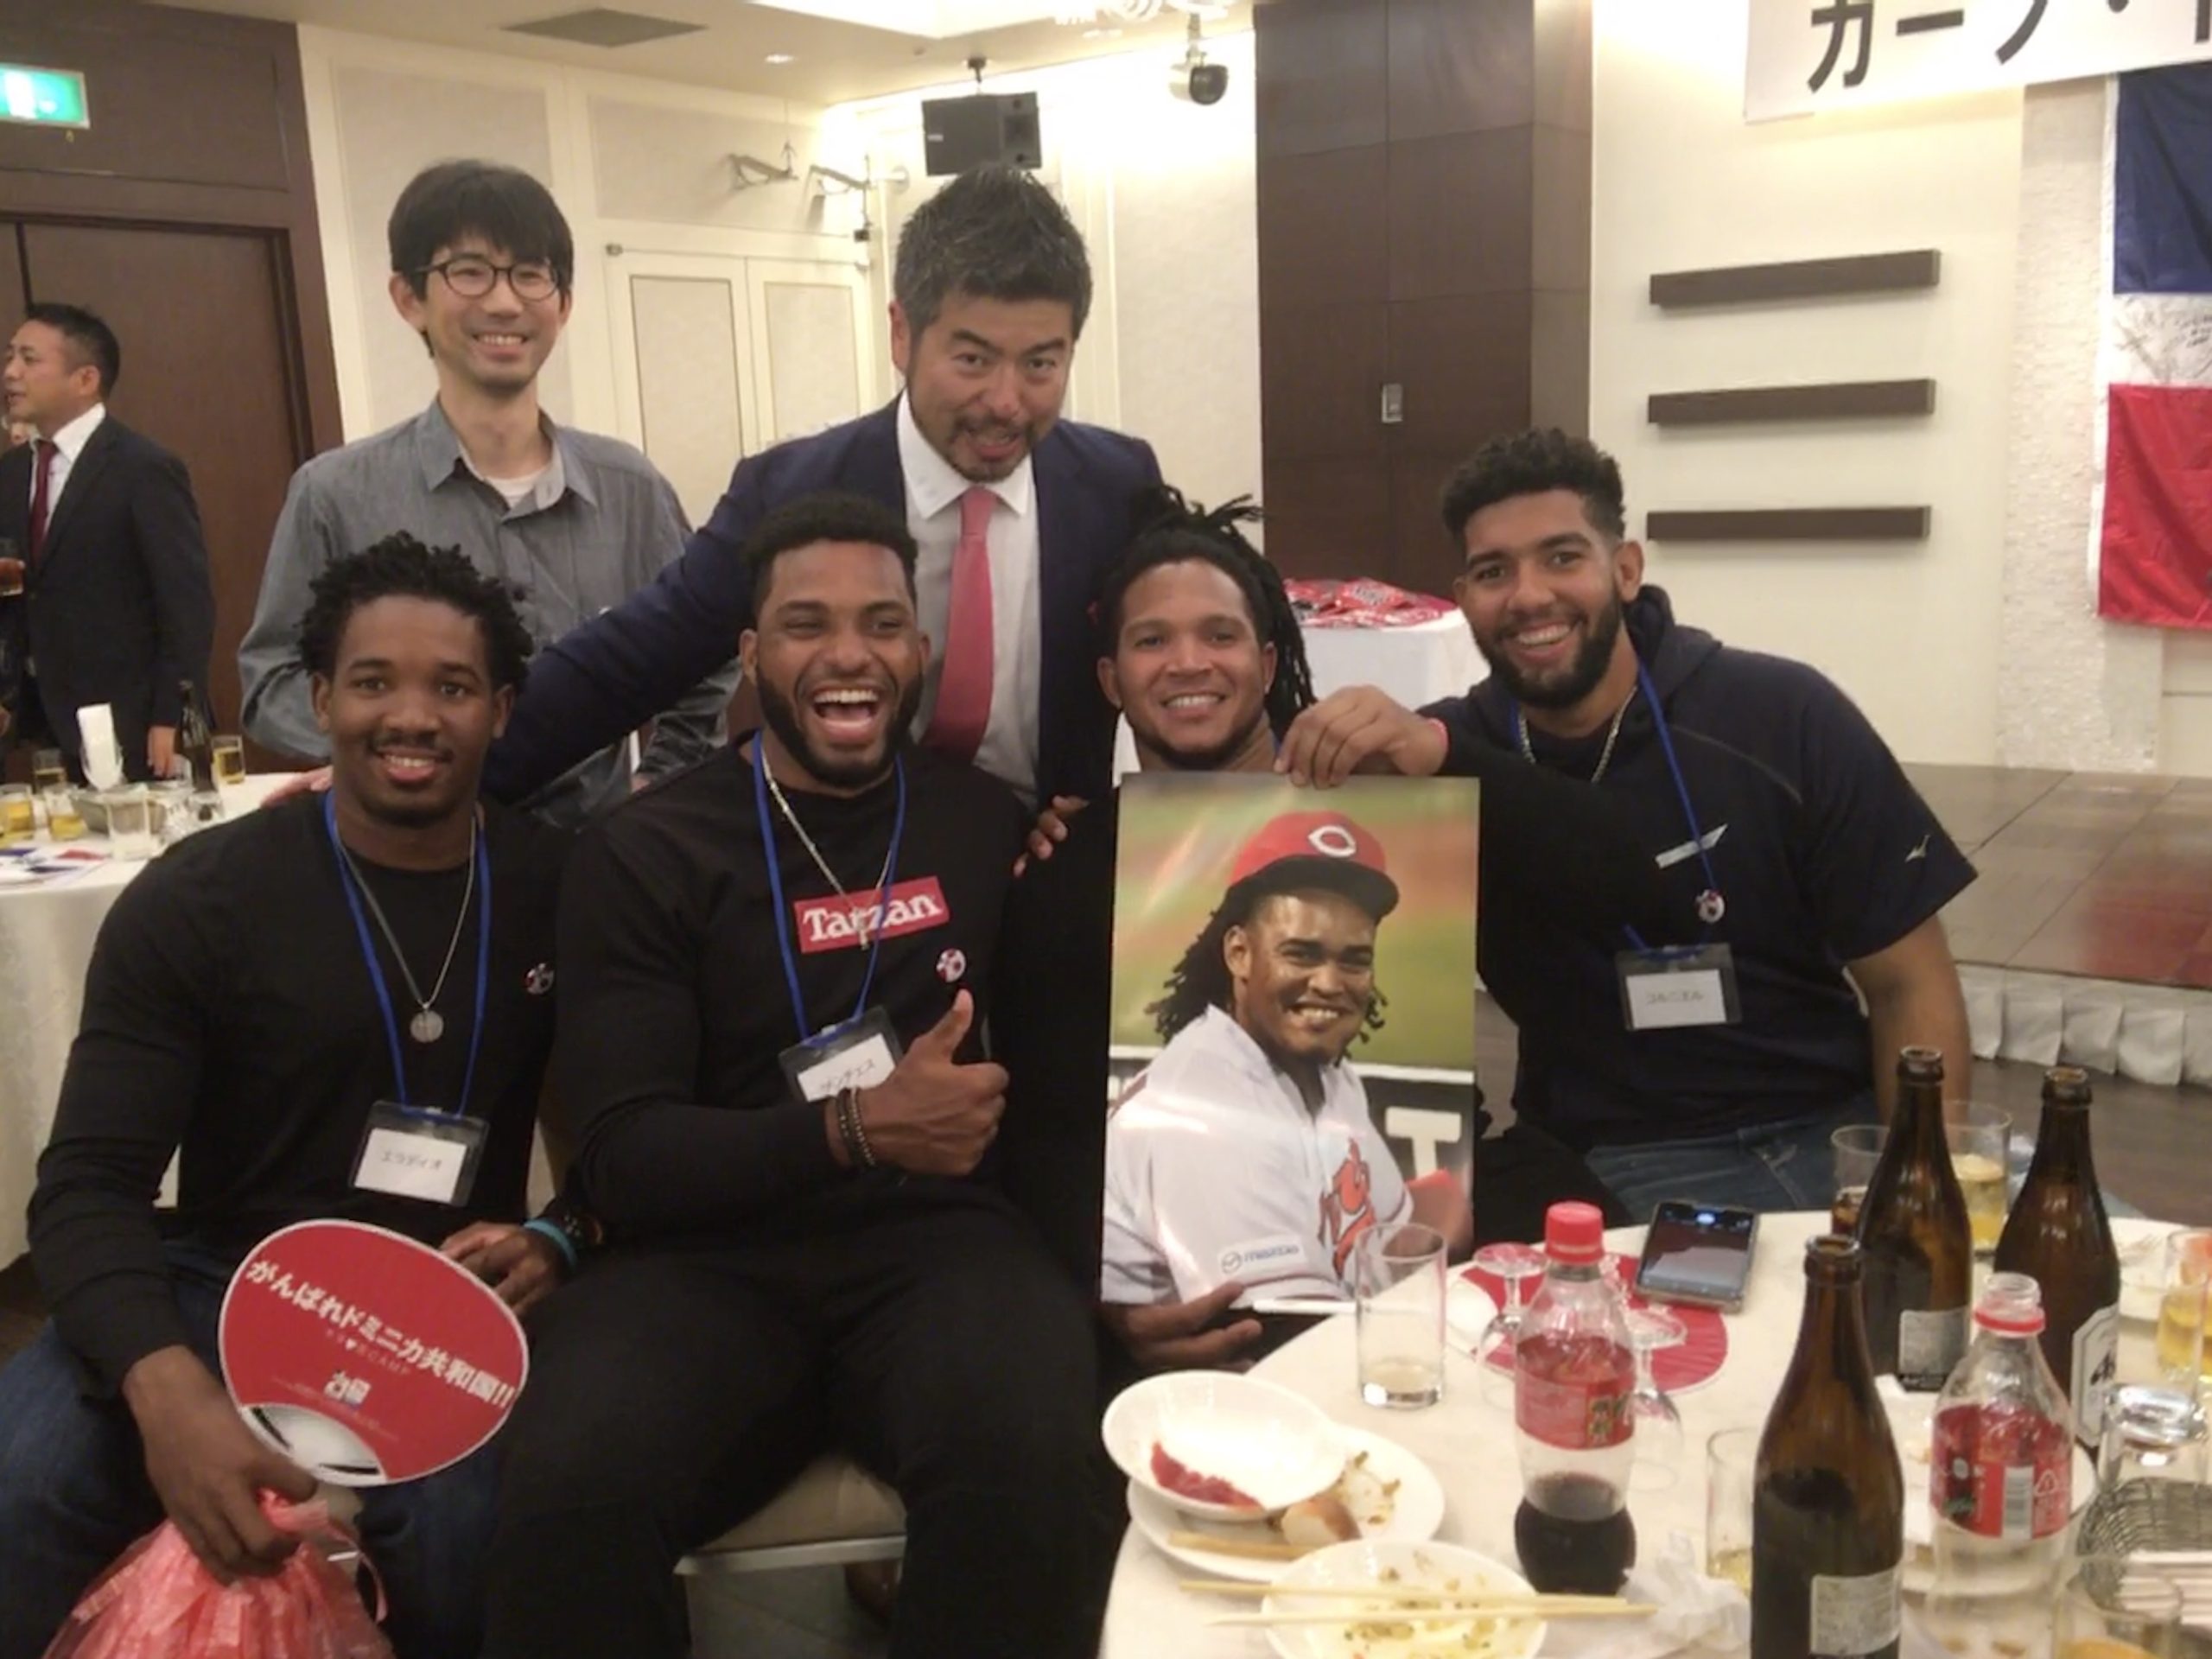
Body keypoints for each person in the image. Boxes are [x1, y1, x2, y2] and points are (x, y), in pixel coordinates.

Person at [480, 492, 1114, 1659]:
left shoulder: (987, 823)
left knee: (1033, 1465)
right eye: (805, 624)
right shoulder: (646, 850)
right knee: (569, 1492)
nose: (848, 654)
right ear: (751, 653)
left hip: (940, 1248)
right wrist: (856, 1128)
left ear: (919, 651)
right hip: (699, 1261)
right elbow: (620, 1155)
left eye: (882, 623)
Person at [0, 536, 580, 1659]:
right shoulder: (200, 900)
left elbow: (622, 1125)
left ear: (501, 711)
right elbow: (85, 1188)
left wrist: (560, 1232)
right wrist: (165, 1390)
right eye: (373, 682)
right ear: (319, 700)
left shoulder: (562, 887)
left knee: (471, 1536)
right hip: (219, 1275)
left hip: (443, 1296)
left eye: (452, 687)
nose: (410, 717)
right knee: (21, 1486)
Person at [995, 489, 1630, 1376]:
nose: (1188, 663)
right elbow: (1042, 1123)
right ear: (1111, 679)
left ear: (1266, 663)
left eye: (1219, 635)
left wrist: (1445, 753)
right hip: (1233, 1309)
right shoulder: (1071, 864)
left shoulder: (1385, 798)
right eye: (1152, 640)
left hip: (1441, 1237)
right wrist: (1104, 1286)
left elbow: (1622, 876)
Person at [1278, 428, 1976, 1217]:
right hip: (1610, 1162)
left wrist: (1926, 1186)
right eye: (1494, 571)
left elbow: (1910, 983)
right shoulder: (1438, 767)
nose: (1529, 595)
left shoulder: (1784, 717)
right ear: (1463, 597)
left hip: (1832, 1127)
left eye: (1562, 557)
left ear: (1627, 570)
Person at [475, 162, 1161, 813]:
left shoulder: (1116, 486)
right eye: (973, 359)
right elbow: (629, 663)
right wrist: (446, 789)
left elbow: (1197, 672)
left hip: (1052, 862)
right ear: (902, 334)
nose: (1007, 402)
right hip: (856, 861)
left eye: (1040, 364)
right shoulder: (792, 489)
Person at [238, 160, 732, 826]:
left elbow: (705, 656)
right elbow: (272, 680)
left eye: (530, 274)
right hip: (412, 849)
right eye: (469, 272)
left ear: (563, 303)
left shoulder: (630, 488)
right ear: (409, 298)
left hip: (595, 856)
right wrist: (378, 751)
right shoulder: (335, 494)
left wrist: (660, 781)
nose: (504, 302)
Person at [1107, 806, 1478, 1307]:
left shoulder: (1330, 1075)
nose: (1329, 983)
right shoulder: (1204, 1109)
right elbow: (1284, 1332)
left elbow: (1397, 1239)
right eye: (1302, 953)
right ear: (1239, 953)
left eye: (1354, 960)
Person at [0, 303, 213, 781]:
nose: (11, 372)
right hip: (34, 727)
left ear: (85, 379)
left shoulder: (143, 468)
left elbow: (186, 604)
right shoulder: (11, 473)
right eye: (9, 357)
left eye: (29, 359)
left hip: (131, 721)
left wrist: (171, 714)